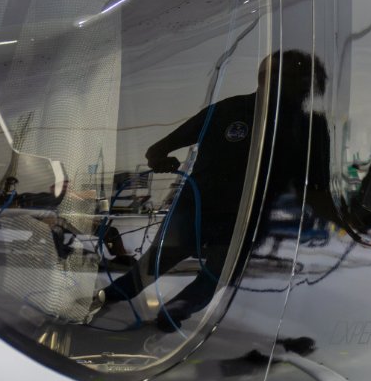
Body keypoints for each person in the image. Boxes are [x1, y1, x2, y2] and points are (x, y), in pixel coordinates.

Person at [96, 50, 328, 330]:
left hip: (245, 221)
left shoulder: (311, 128)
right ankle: (113, 298)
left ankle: (172, 312)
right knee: (161, 265)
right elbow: (156, 150)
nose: (283, 82)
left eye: (292, 77)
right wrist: (161, 160)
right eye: (275, 75)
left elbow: (317, 187)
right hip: (197, 209)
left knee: (212, 274)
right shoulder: (226, 111)